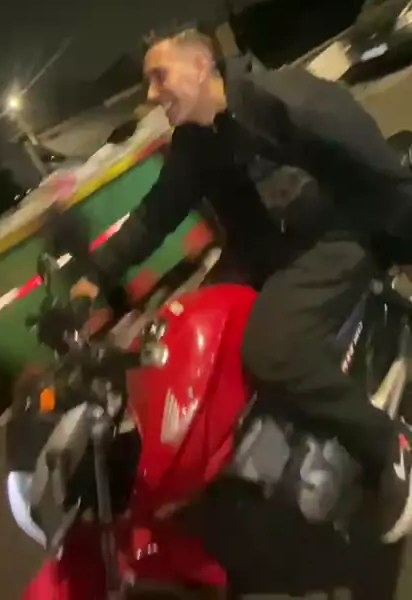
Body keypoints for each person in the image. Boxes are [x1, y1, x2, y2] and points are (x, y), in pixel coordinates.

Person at [69, 28, 412, 544]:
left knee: (271, 349)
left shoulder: (284, 100)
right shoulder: (192, 143)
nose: (151, 94)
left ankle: (387, 448)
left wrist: (399, 239)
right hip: (263, 251)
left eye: (159, 76)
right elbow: (155, 215)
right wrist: (91, 279)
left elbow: (371, 163)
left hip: (332, 236)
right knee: (183, 337)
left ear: (201, 64)